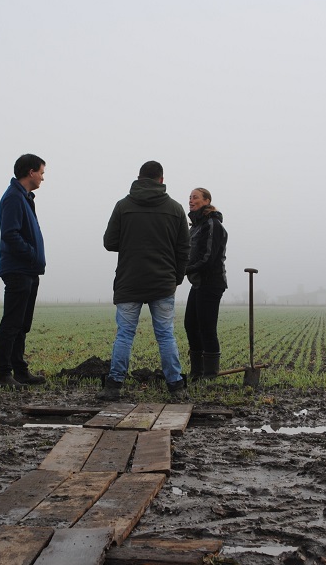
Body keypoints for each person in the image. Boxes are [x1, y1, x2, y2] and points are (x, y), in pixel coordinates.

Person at [97, 160, 191, 401]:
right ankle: (176, 388)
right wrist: (176, 278)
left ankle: (114, 386)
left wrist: (131, 241)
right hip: (163, 283)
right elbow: (184, 249)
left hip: (129, 281)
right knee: (166, 335)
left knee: (125, 335)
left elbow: (109, 242)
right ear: (161, 179)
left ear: (139, 178)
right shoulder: (176, 209)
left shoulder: (123, 206)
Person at [0, 153, 48, 389]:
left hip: (28, 269)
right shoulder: (14, 198)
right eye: (42, 173)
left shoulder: (25, 197)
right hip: (18, 269)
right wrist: (31, 254)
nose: (43, 178)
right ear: (31, 172)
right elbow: (10, 234)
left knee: (23, 323)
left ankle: (20, 370)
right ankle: (3, 374)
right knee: (12, 321)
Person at [184, 187, 228, 380]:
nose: (191, 200)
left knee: (207, 327)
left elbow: (208, 258)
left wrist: (184, 269)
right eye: (190, 198)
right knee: (190, 325)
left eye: (195, 197)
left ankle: (209, 375)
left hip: (211, 282)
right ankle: (196, 372)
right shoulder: (195, 226)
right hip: (198, 283)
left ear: (207, 201)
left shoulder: (212, 224)